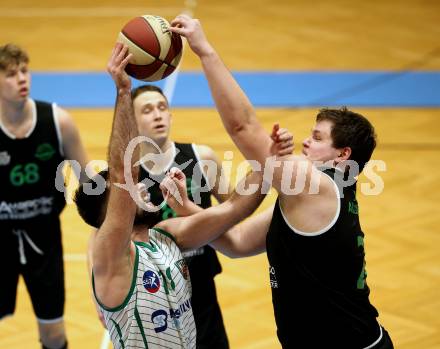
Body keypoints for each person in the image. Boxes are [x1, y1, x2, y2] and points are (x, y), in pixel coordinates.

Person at [169, 15, 394, 348]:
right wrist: (188, 209)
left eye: (317, 138)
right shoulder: (308, 198)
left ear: (342, 154)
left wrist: (205, 52)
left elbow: (242, 127)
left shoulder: (316, 187)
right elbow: (237, 241)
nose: (306, 142)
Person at [75, 42, 292, 349]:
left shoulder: (166, 234)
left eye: (162, 107)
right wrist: (123, 92)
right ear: (113, 212)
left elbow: (233, 209)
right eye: (125, 192)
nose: (138, 187)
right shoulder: (112, 256)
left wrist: (270, 160)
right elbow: (123, 174)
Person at [0, 43, 89, 349]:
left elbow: (91, 185)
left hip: (45, 237)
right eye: (11, 74)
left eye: (25, 71)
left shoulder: (58, 121)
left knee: (53, 333)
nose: (21, 79)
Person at [133, 83, 231, 349]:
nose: (157, 115)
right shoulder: (126, 174)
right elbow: (99, 237)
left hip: (201, 281)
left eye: (162, 108)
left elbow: (233, 211)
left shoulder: (202, 157)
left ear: (171, 115)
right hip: (154, 292)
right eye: (148, 110)